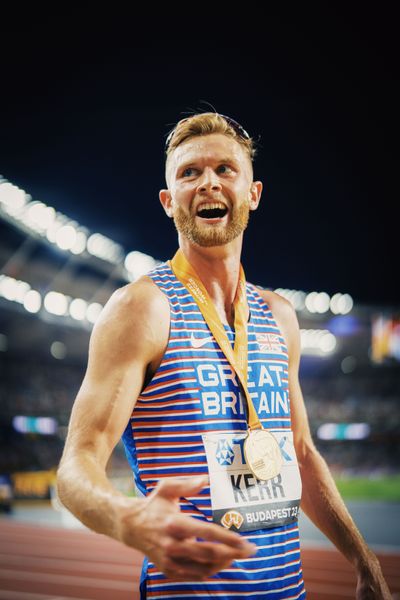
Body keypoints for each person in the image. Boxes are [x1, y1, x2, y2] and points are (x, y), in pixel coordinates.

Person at [57, 111, 391, 599]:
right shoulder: (142, 308)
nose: (208, 183)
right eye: (189, 173)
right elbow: (76, 463)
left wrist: (365, 563)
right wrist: (125, 517)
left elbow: (300, 452)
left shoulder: (279, 316)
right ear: (169, 202)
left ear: (252, 195)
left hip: (289, 591)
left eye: (224, 170)